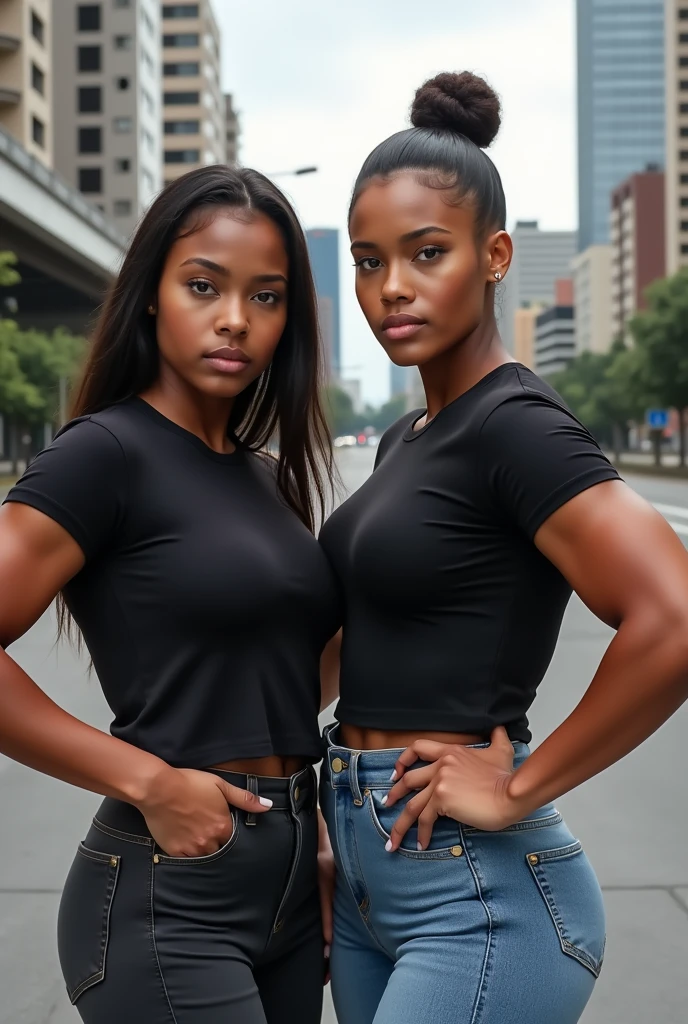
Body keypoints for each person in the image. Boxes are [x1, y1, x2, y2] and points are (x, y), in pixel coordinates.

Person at [318, 72, 688, 1024]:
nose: (390, 287)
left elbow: (674, 618)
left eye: (425, 253)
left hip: (478, 901)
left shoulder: (516, 425)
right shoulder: (410, 439)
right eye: (367, 261)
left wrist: (521, 782)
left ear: (494, 256)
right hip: (369, 874)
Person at [0, 165, 341, 1024]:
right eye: (203, 285)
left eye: (267, 297)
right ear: (150, 294)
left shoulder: (267, 478)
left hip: (298, 884)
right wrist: (150, 781)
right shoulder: (102, 455)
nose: (236, 319)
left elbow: (291, 673)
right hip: (168, 895)